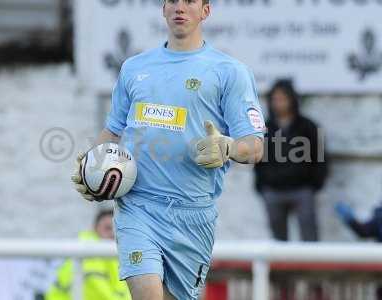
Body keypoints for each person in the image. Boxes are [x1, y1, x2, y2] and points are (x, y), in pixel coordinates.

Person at [71, 0, 265, 299]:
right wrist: (91, 168)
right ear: (163, 8)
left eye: (190, 1)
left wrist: (227, 147)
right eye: (173, 0)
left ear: (206, 10)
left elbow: (254, 147)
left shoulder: (230, 72)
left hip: (193, 215)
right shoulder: (135, 68)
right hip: (138, 207)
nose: (180, 7)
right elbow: (113, 130)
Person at [254, 79, 328, 241]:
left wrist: (314, 184)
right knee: (278, 240)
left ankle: (310, 266)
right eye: (275, 99)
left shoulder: (308, 127)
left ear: (292, 99)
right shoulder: (264, 129)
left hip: (302, 190)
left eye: (282, 99)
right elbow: (258, 160)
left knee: (309, 237)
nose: (278, 104)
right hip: (273, 191)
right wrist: (262, 185)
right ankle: (282, 268)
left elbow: (321, 157)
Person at [45, 210, 131, 300]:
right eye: (108, 228)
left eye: (117, 228)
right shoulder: (88, 252)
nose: (113, 233)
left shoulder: (112, 254)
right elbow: (98, 293)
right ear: (95, 228)